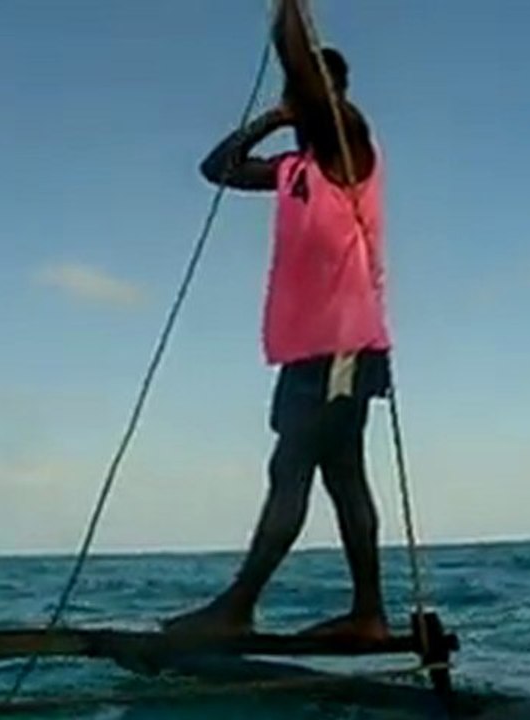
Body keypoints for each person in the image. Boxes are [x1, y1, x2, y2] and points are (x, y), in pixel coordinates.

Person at [164, 0, 393, 641]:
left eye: (304, 95)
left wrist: (288, 16)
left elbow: (315, 83)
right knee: (341, 472)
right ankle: (368, 615)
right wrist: (272, 116)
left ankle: (238, 606)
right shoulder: (293, 171)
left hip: (344, 346)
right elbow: (217, 169)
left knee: (291, 467)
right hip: (307, 351)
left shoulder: (351, 151)